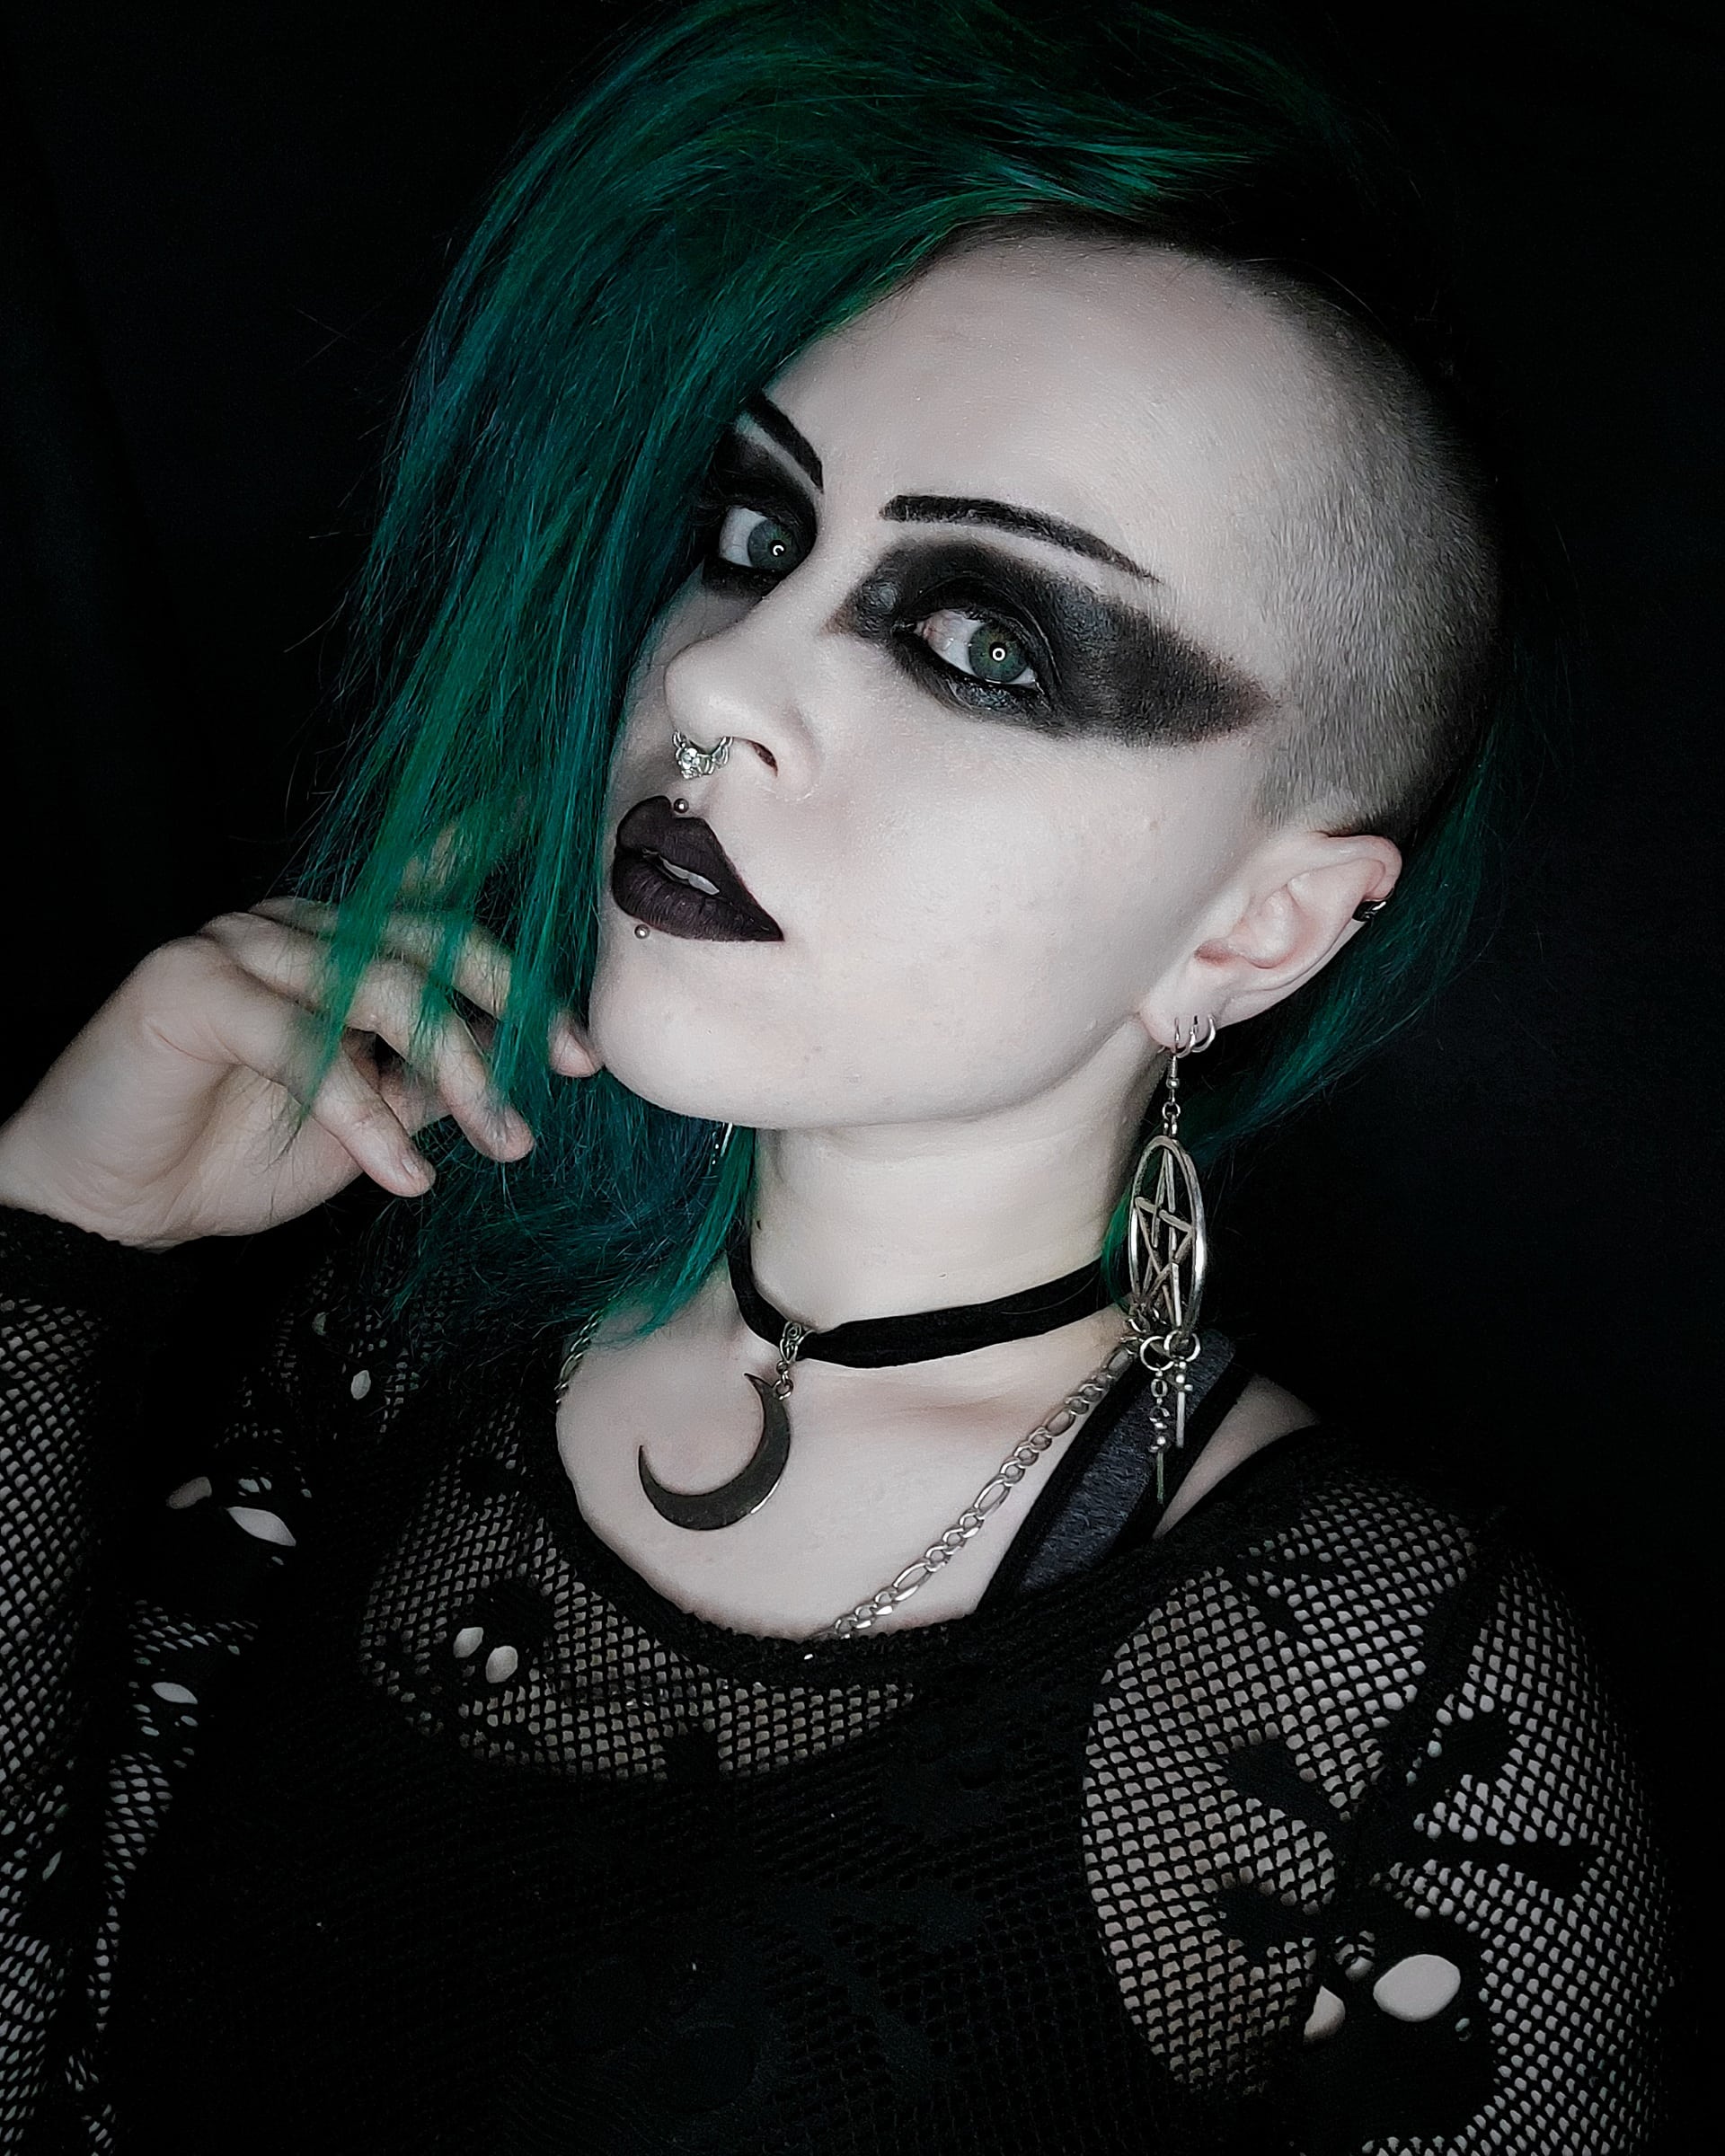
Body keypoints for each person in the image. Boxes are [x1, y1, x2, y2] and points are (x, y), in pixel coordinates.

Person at [0, 1, 1673, 2147]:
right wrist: (53, 1240)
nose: (716, 675)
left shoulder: (1388, 1698)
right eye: (756, 532)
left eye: (984, 642)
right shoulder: (413, 1333)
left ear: (1253, 928)